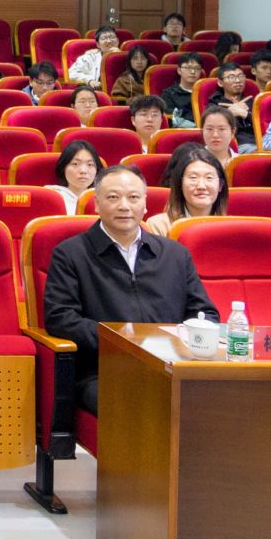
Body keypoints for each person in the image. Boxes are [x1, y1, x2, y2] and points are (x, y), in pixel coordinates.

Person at [44, 165, 215, 413]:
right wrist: (122, 340)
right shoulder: (71, 254)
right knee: (146, 403)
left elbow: (205, 313)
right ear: (97, 204)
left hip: (174, 366)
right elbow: (60, 318)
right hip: (105, 370)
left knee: (225, 399)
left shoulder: (175, 254)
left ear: (145, 205)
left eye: (133, 197)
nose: (124, 206)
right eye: (113, 197)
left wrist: (185, 340)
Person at [145, 145, 228, 235]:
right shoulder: (159, 225)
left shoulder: (229, 226)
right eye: (193, 178)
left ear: (220, 185)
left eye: (209, 178)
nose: (201, 186)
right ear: (180, 184)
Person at [203, 61, 257, 151]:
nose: (238, 81)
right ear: (220, 83)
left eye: (240, 76)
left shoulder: (253, 101)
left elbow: (265, 126)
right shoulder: (215, 104)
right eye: (231, 77)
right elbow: (213, 129)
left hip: (260, 142)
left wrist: (245, 114)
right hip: (235, 145)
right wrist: (229, 113)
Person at [48, 139, 103, 210]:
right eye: (75, 164)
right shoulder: (51, 197)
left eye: (90, 164)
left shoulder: (104, 198)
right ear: (63, 168)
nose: (83, 171)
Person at [162, 52, 204, 127]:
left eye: (197, 68)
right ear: (179, 70)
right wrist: (196, 127)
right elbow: (172, 118)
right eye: (188, 68)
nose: (193, 72)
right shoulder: (169, 94)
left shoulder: (205, 92)